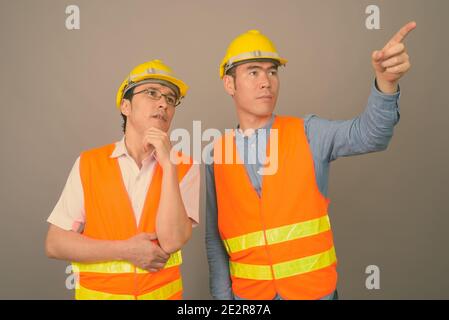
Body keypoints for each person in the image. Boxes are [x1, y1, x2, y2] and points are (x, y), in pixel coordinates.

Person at [206, 24, 416, 300]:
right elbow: (215, 240)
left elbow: (371, 135)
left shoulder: (309, 133)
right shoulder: (216, 154)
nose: (266, 82)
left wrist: (386, 84)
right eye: (253, 72)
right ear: (229, 84)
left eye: (272, 71)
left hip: (314, 295)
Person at [45, 59, 200, 300]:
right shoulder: (89, 163)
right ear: (125, 106)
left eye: (171, 99)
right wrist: (125, 250)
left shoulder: (185, 166)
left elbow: (171, 242)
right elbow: (55, 244)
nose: (163, 104)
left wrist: (169, 166)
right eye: (152, 93)